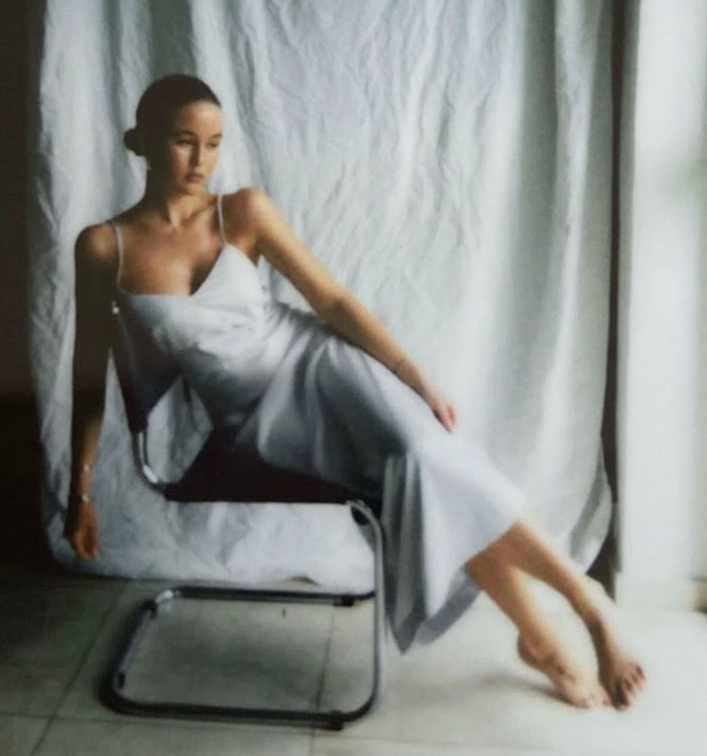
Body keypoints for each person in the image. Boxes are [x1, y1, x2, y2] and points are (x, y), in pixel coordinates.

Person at [64, 73, 645, 711]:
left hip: (320, 361)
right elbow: (91, 372)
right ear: (140, 142)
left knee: (424, 455)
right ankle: (540, 635)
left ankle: (586, 607)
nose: (202, 161)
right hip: (258, 420)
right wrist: (81, 488)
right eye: (183, 142)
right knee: (422, 475)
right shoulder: (102, 247)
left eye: (214, 143)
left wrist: (413, 374)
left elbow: (332, 300)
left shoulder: (244, 210)